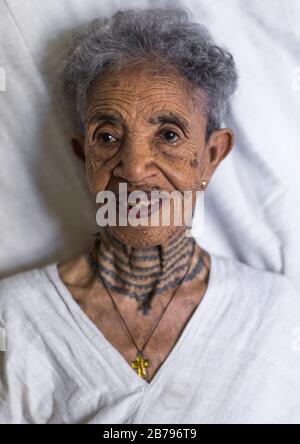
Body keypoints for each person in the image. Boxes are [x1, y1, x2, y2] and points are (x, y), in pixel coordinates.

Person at [1, 7, 300, 424]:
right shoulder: (15, 320)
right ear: (84, 157)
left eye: (169, 135)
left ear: (211, 157)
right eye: (107, 137)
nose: (135, 167)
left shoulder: (277, 315)